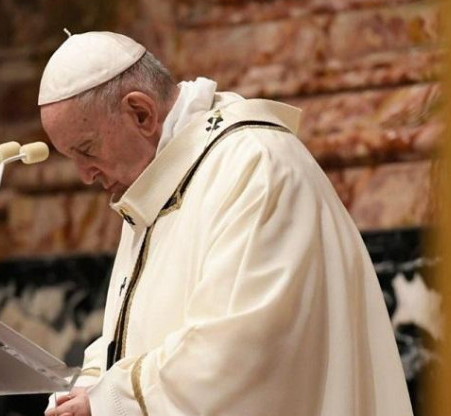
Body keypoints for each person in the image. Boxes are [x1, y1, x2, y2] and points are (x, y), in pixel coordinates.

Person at [39, 31, 412, 416]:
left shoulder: (255, 166)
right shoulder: (159, 181)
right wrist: (86, 386)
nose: (84, 174)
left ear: (141, 113)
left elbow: (242, 348)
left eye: (86, 150)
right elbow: (134, 331)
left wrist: (112, 403)